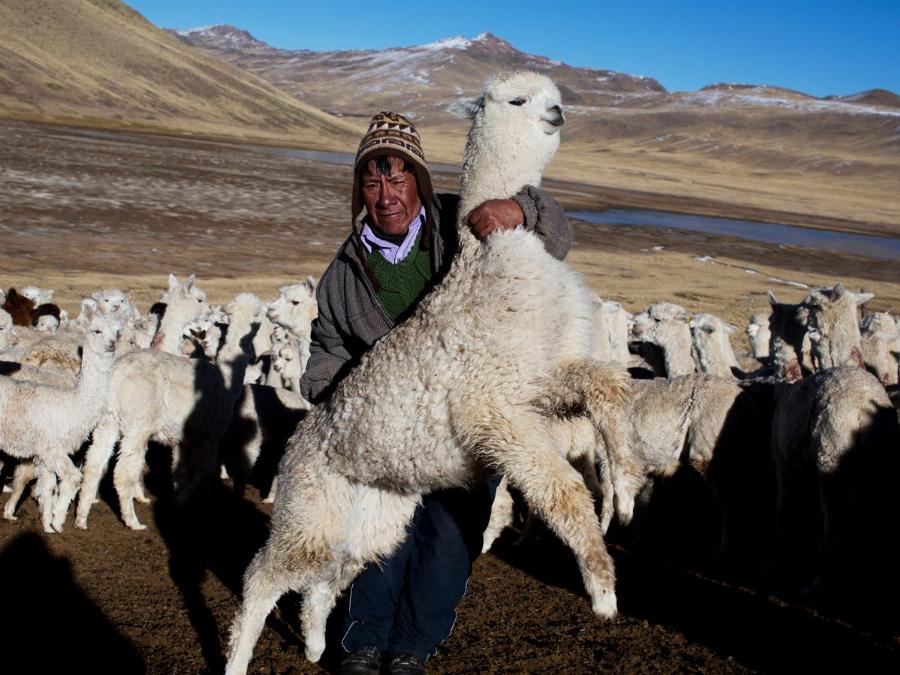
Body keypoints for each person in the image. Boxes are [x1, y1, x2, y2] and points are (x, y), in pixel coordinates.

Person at [299, 111, 572, 675]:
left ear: (418, 182)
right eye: (372, 182)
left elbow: (560, 238)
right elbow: (325, 350)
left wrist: (521, 211)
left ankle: (412, 649)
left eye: (398, 179)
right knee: (378, 538)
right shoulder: (344, 273)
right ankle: (363, 644)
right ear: (360, 191)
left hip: (470, 417)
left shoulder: (462, 226)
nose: (386, 195)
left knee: (448, 544)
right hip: (391, 433)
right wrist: (340, 392)